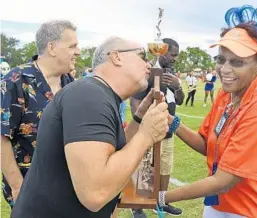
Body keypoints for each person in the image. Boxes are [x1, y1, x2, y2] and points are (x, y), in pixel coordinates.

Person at [156, 5, 257, 218]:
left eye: (237, 62)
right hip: (222, 205)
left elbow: (224, 181)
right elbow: (207, 145)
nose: (225, 69)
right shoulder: (226, 94)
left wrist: (162, 197)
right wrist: (171, 121)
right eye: (221, 59)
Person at [11, 36, 169, 218]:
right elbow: (95, 193)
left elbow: (109, 154)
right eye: (142, 56)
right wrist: (146, 135)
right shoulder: (89, 95)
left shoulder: (98, 94)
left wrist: (139, 119)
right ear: (116, 57)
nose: (149, 65)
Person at [1, 20, 78, 209]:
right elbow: (2, 137)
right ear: (51, 48)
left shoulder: (70, 83)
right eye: (72, 46)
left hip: (69, 187)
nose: (78, 51)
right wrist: (18, 187)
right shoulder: (15, 81)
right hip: (31, 189)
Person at [130, 38, 184, 217]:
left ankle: (162, 202)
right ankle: (138, 206)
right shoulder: (148, 72)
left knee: (165, 168)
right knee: (146, 168)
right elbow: (135, 104)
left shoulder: (172, 73)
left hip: (168, 132)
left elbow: (180, 100)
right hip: (150, 131)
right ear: (161, 51)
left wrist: (177, 87)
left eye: (177, 55)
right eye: (172, 54)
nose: (175, 58)